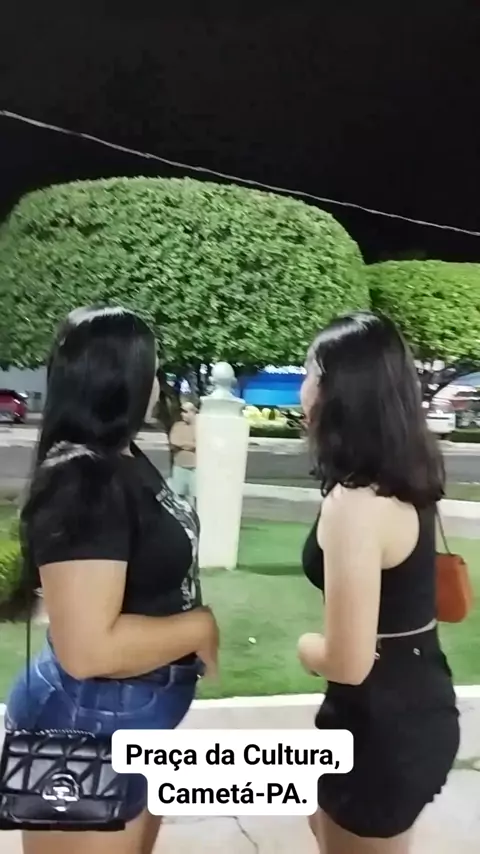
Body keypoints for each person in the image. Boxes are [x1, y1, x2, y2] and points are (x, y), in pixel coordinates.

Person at [2, 306, 219, 854]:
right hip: (90, 720)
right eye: (153, 367)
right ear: (120, 376)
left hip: (128, 713)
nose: (159, 381)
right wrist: (198, 628)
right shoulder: (82, 481)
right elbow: (88, 651)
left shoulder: (120, 456)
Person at [298, 311, 459, 854]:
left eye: (309, 372)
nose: (302, 389)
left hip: (380, 725)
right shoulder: (405, 477)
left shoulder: (356, 504)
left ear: (337, 389)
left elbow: (348, 662)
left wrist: (306, 647)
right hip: (414, 700)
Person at [169, 402, 197, 506]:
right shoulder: (177, 426)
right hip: (179, 466)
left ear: (193, 412)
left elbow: (202, 444)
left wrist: (182, 445)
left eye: (185, 412)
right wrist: (191, 445)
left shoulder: (200, 427)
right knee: (178, 498)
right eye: (182, 411)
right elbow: (174, 441)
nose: (182, 414)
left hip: (195, 468)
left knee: (194, 499)